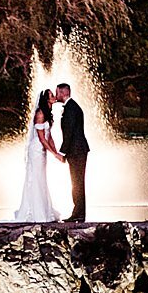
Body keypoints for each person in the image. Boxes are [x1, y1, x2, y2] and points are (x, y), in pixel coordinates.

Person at [14, 88, 64, 222]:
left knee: (42, 179)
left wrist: (57, 151)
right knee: (36, 179)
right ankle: (35, 212)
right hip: (36, 150)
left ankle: (44, 208)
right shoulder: (40, 114)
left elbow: (49, 137)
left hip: (42, 151)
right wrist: (54, 154)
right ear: (46, 99)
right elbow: (42, 139)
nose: (54, 96)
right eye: (51, 95)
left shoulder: (47, 114)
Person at [55, 82, 89, 222]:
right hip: (77, 150)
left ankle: (78, 214)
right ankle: (79, 212)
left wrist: (62, 152)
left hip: (77, 151)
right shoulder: (71, 107)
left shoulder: (71, 108)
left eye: (57, 93)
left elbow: (69, 132)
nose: (56, 95)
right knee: (77, 182)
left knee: (77, 182)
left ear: (64, 93)